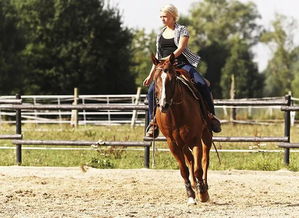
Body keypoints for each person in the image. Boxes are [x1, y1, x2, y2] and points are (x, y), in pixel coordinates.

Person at [143, 4, 221, 137]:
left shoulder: (182, 30)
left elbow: (180, 49)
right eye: (161, 16)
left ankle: (210, 115)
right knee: (151, 91)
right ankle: (153, 122)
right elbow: (157, 55)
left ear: (173, 16)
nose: (162, 19)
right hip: (163, 68)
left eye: (165, 16)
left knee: (201, 84)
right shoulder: (160, 33)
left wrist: (167, 59)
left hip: (181, 64)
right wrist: (150, 76)